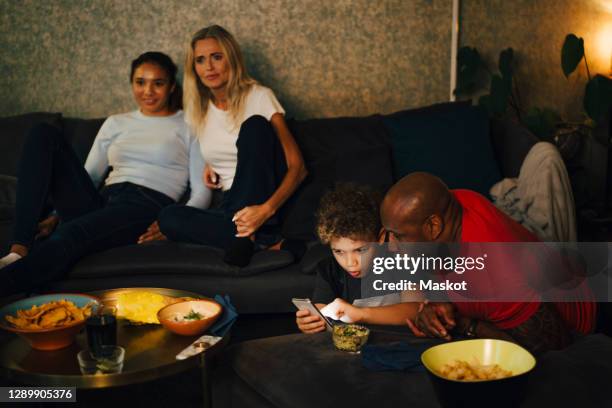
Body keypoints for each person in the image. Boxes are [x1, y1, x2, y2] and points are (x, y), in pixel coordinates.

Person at [0, 52, 209, 297]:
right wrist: (55, 215)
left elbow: (201, 191)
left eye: (158, 83)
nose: (148, 91)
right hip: (104, 199)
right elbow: (90, 176)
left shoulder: (189, 124)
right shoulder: (116, 122)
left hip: (144, 204)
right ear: (132, 83)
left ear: (172, 87)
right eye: (140, 82)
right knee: (42, 133)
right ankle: (18, 249)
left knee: (71, 235)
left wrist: (174, 223)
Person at [380, 172, 596, 354]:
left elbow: (544, 350)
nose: (390, 246)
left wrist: (466, 324)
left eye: (398, 236)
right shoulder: (457, 202)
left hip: (574, 328)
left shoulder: (500, 278)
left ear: (433, 226)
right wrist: (434, 304)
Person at [157, 25, 307, 267]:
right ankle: (259, 240)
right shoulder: (198, 110)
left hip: (264, 201)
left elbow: (298, 168)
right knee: (168, 217)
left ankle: (250, 235)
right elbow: (222, 145)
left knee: (255, 126)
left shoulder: (259, 96)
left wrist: (266, 210)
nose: (209, 67)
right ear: (193, 68)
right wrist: (210, 163)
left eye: (217, 57)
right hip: (229, 205)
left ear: (232, 59)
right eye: (201, 60)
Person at [296, 184, 417, 334]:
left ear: (379, 237)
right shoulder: (329, 269)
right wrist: (312, 322)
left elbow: (415, 310)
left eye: (360, 250)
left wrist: (360, 314)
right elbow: (321, 310)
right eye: (339, 251)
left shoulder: (401, 261)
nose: (350, 263)